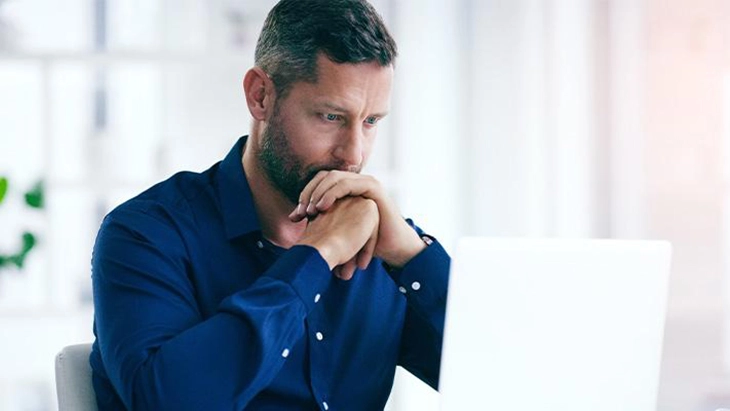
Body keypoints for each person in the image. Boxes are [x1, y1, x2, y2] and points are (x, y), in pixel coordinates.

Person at [89, 0, 451, 409]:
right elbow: (168, 401)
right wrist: (316, 256)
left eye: (370, 122)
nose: (354, 155)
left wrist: (411, 254)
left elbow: (511, 374)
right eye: (331, 116)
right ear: (260, 96)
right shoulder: (146, 234)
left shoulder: (384, 248)